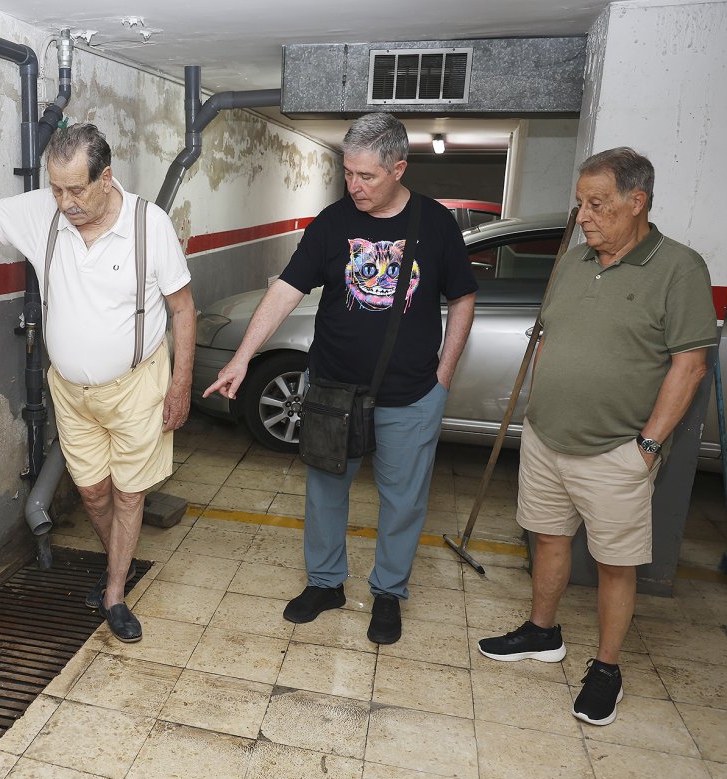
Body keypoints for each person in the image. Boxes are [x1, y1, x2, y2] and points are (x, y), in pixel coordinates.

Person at [0, 123, 195, 644]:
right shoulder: (43, 213)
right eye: (56, 189)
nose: (65, 203)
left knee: (128, 493)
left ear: (106, 178)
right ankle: (118, 562)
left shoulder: (148, 225)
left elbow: (183, 309)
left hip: (137, 385)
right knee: (92, 493)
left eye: (76, 190)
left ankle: (115, 593)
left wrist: (180, 386)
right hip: (70, 391)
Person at [204, 112, 477, 645]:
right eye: (348, 173)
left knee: (403, 501)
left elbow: (463, 297)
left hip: (411, 394)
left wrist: (443, 375)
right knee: (325, 492)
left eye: (366, 176)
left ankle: (388, 592)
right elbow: (287, 289)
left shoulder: (436, 224)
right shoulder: (332, 223)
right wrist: (242, 357)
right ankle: (325, 584)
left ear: (399, 168)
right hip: (332, 389)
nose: (354, 186)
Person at [478, 147, 716, 726]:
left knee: (615, 564)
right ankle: (542, 632)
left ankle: (607, 669)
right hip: (546, 438)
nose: (583, 216)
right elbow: (552, 338)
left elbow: (690, 366)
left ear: (637, 202)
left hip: (618, 451)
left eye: (597, 204)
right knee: (548, 538)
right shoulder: (573, 261)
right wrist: (538, 409)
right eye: (581, 203)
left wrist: (648, 448)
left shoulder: (680, 268)